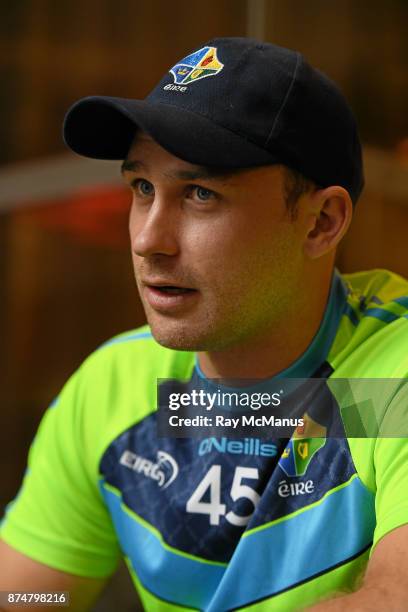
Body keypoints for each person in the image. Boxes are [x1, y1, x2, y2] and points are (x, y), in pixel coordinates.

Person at [1, 37, 408, 612]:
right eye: (142, 188)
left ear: (321, 222)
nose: (148, 241)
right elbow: (26, 592)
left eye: (200, 193)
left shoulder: (385, 382)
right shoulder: (117, 385)